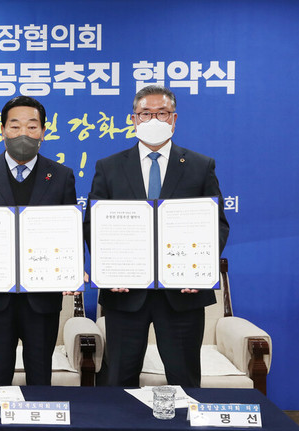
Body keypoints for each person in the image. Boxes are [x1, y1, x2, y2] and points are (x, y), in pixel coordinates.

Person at [84, 85, 230, 387]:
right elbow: (93, 225)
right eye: (145, 114)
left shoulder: (200, 166)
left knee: (184, 380)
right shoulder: (109, 167)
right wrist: (108, 270)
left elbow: (217, 224)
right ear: (133, 119)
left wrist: (200, 270)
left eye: (162, 113)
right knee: (120, 381)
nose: (153, 120)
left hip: (183, 294)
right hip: (125, 294)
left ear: (174, 119)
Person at [0, 96, 78, 386]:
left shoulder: (61, 176)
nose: (23, 134)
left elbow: (69, 232)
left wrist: (73, 268)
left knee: (40, 378)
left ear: (43, 132)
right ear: (3, 130)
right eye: (15, 126)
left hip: (42, 299)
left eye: (32, 127)